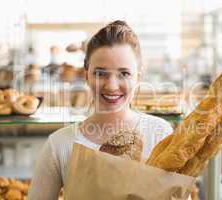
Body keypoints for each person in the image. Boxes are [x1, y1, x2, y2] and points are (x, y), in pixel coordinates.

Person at [28, 20, 173, 200]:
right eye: (100, 73)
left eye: (124, 73)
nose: (112, 86)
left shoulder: (160, 135)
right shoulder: (60, 145)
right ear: (86, 74)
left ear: (137, 77)